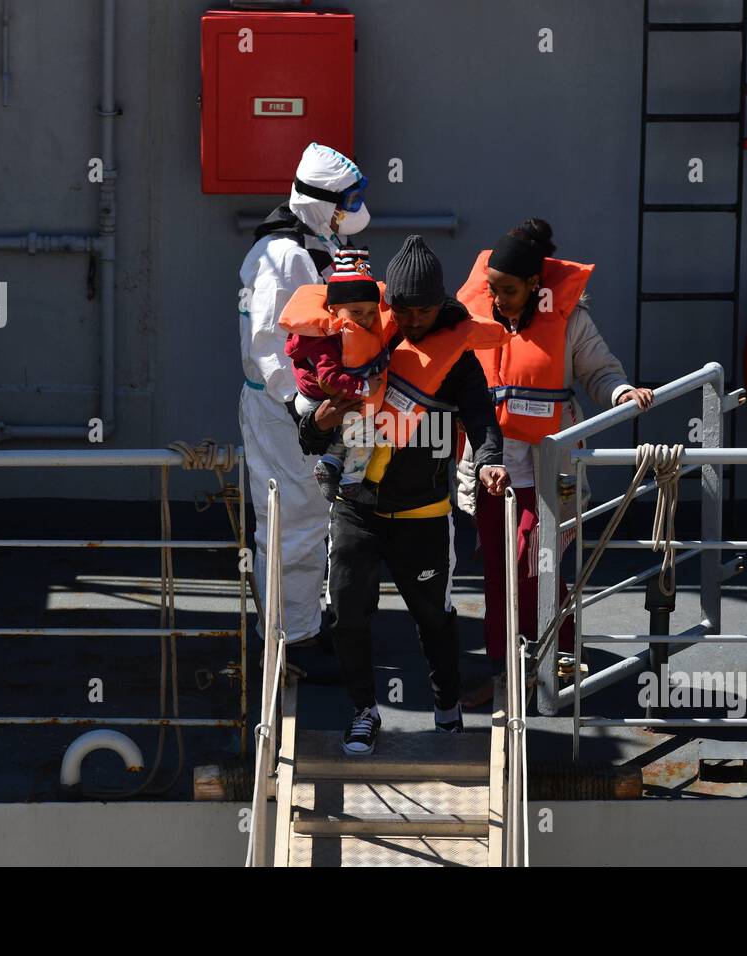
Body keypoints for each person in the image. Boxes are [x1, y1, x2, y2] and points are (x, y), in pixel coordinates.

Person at [297, 236, 510, 756]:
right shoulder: (368, 344)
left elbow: (482, 419)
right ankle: (365, 711)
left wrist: (488, 463)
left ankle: (447, 713)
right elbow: (308, 435)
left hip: (424, 514)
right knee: (347, 615)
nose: (413, 321)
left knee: (433, 618)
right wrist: (324, 418)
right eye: (405, 310)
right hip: (355, 512)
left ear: (441, 305)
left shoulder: (456, 358)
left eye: (424, 311)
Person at [454, 219, 655, 708]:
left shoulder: (570, 322)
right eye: (493, 289)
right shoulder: (473, 320)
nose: (498, 299)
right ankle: (505, 672)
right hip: (491, 471)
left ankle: (557, 662)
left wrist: (624, 393)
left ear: (534, 287)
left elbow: (600, 371)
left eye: (509, 291)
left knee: (539, 564)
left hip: (550, 472)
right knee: (500, 575)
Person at [238, 143, 369, 647]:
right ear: (320, 201)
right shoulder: (283, 256)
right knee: (290, 523)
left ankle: (304, 625)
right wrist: (304, 408)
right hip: (283, 412)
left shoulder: (309, 245)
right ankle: (293, 640)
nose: (347, 212)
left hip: (308, 409)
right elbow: (269, 342)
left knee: (312, 517)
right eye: (343, 202)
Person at [280, 248, 392, 504]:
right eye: (356, 312)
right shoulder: (325, 340)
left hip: (325, 398)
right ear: (333, 310)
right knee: (363, 431)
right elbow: (329, 380)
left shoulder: (347, 333)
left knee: (353, 428)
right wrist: (365, 387)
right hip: (318, 401)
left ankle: (330, 463)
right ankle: (351, 482)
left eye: (371, 312)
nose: (365, 320)